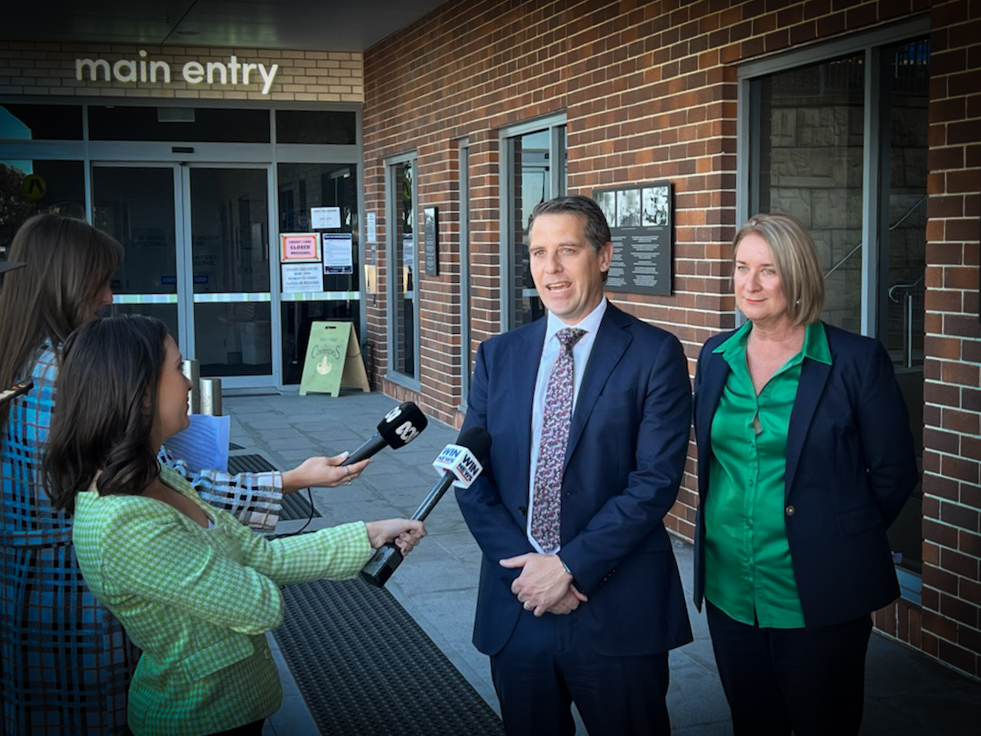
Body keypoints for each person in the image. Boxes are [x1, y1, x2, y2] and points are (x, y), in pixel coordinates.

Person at [0, 214, 369, 735]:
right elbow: (168, 486)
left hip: (38, 581)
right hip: (76, 595)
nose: (108, 297)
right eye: (100, 282)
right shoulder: (63, 380)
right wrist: (283, 485)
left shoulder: (21, 363)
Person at [42, 314, 425, 736]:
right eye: (176, 368)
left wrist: (368, 534)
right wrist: (243, 566)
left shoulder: (155, 475)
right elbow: (258, 603)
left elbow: (259, 555)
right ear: (141, 392)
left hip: (235, 706)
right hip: (194, 717)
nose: (189, 382)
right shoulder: (127, 526)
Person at [457, 195, 693, 736]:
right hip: (518, 605)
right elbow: (470, 474)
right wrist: (528, 570)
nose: (551, 269)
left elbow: (654, 482)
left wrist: (566, 567)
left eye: (567, 250)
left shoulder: (654, 353)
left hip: (615, 605)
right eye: (538, 252)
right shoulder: (498, 355)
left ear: (604, 255)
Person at [692, 213, 919, 736]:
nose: (750, 284)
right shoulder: (715, 356)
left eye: (767, 271)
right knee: (752, 724)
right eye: (740, 267)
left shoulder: (855, 359)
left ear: (797, 278)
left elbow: (894, 473)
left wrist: (837, 533)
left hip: (818, 593)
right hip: (730, 591)